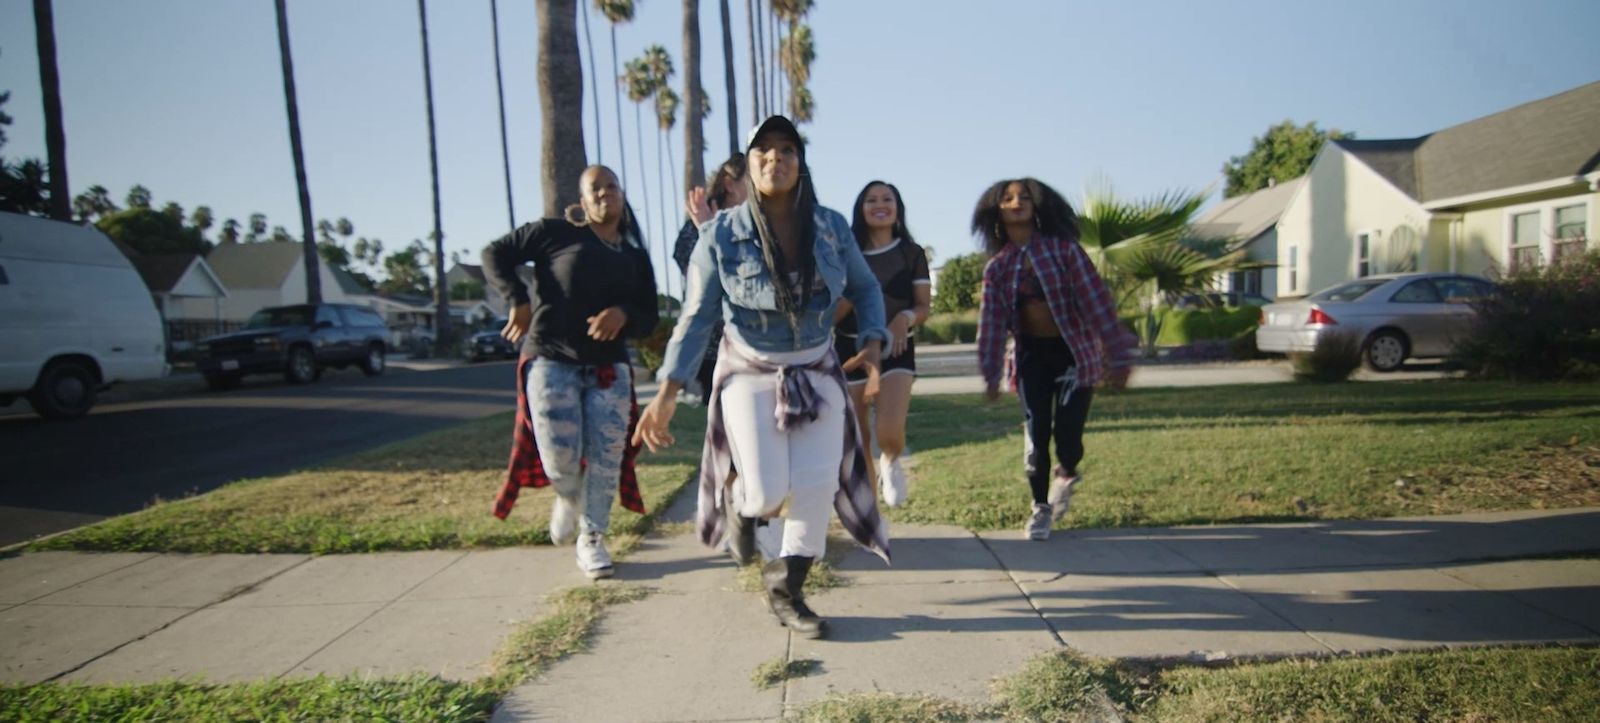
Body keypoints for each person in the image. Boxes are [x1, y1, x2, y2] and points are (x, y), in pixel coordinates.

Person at [634, 116, 890, 639]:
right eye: (764, 151)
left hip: (817, 365)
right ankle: (743, 507)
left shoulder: (830, 226)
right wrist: (667, 392)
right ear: (749, 166)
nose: (776, 159)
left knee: (817, 484)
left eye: (787, 150)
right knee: (768, 489)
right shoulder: (719, 235)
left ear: (800, 162)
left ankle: (786, 586)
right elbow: (696, 317)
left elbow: (865, 287)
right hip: (749, 369)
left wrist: (872, 338)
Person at [484, 165, 660, 579]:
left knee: (606, 459)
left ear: (621, 195)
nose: (604, 193)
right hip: (551, 360)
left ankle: (592, 537)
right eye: (595, 188)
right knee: (558, 457)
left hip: (609, 369)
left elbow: (649, 315)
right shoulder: (554, 233)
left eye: (611, 186)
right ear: (582, 202)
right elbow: (494, 253)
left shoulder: (634, 256)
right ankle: (567, 494)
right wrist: (517, 299)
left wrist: (623, 314)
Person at [973, 178, 1135, 541]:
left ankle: (1067, 471)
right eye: (1008, 198)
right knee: (1036, 432)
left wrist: (1117, 356)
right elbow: (991, 324)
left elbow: (1097, 303)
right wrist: (990, 374)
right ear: (996, 210)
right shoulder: (998, 267)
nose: (1017, 202)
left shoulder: (1064, 252)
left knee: (1068, 438)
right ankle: (1040, 508)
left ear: (1039, 207)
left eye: (1025, 197)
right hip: (1030, 357)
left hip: (1074, 355)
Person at [833, 181, 931, 507]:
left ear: (898, 208)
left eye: (887, 199)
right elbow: (830, 315)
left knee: (889, 430)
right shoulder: (846, 255)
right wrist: (855, 292)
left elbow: (923, 307)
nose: (880, 205)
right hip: (850, 351)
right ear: (860, 209)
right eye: (871, 200)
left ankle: (890, 459)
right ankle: (869, 512)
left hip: (896, 350)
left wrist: (905, 317)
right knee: (858, 437)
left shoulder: (911, 253)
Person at [672, 153, 748, 401]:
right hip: (711, 347)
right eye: (751, 179)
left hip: (754, 344)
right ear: (730, 184)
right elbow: (701, 281)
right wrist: (710, 233)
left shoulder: (760, 226)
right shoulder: (694, 228)